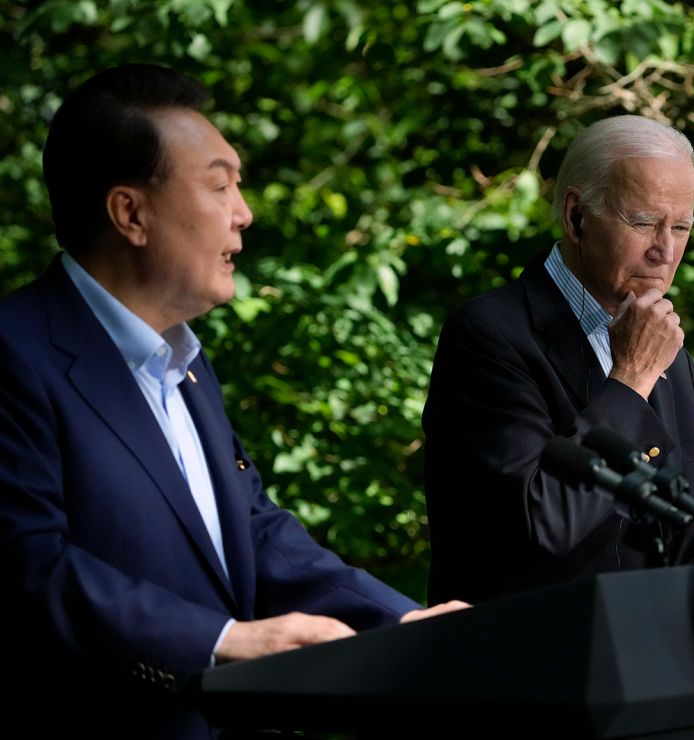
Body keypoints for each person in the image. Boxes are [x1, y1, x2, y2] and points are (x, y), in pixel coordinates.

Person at [0, 64, 465, 738]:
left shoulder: (186, 362)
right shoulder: (16, 353)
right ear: (130, 213)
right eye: (219, 186)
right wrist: (220, 639)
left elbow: (253, 530)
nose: (244, 213)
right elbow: (28, 569)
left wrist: (397, 620)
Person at [421, 115, 694, 604]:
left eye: (682, 226)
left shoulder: (668, 350)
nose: (664, 251)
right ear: (576, 216)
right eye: (644, 222)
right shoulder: (488, 336)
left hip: (653, 654)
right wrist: (631, 380)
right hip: (527, 659)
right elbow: (539, 530)